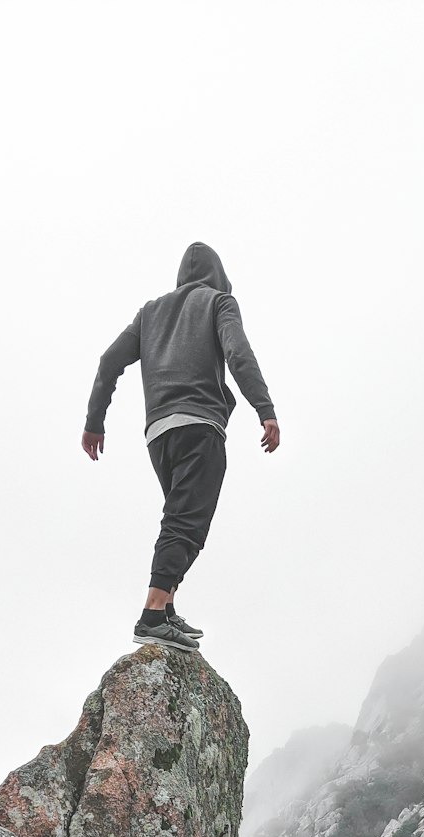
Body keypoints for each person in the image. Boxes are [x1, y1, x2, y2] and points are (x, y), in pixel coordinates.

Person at [82, 241, 279, 651]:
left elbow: (108, 361)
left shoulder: (150, 312)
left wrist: (94, 421)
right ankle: (152, 614)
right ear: (219, 276)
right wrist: (265, 408)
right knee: (187, 522)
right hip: (200, 425)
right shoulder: (218, 302)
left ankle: (167, 605)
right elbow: (237, 353)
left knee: (180, 516)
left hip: (158, 435)